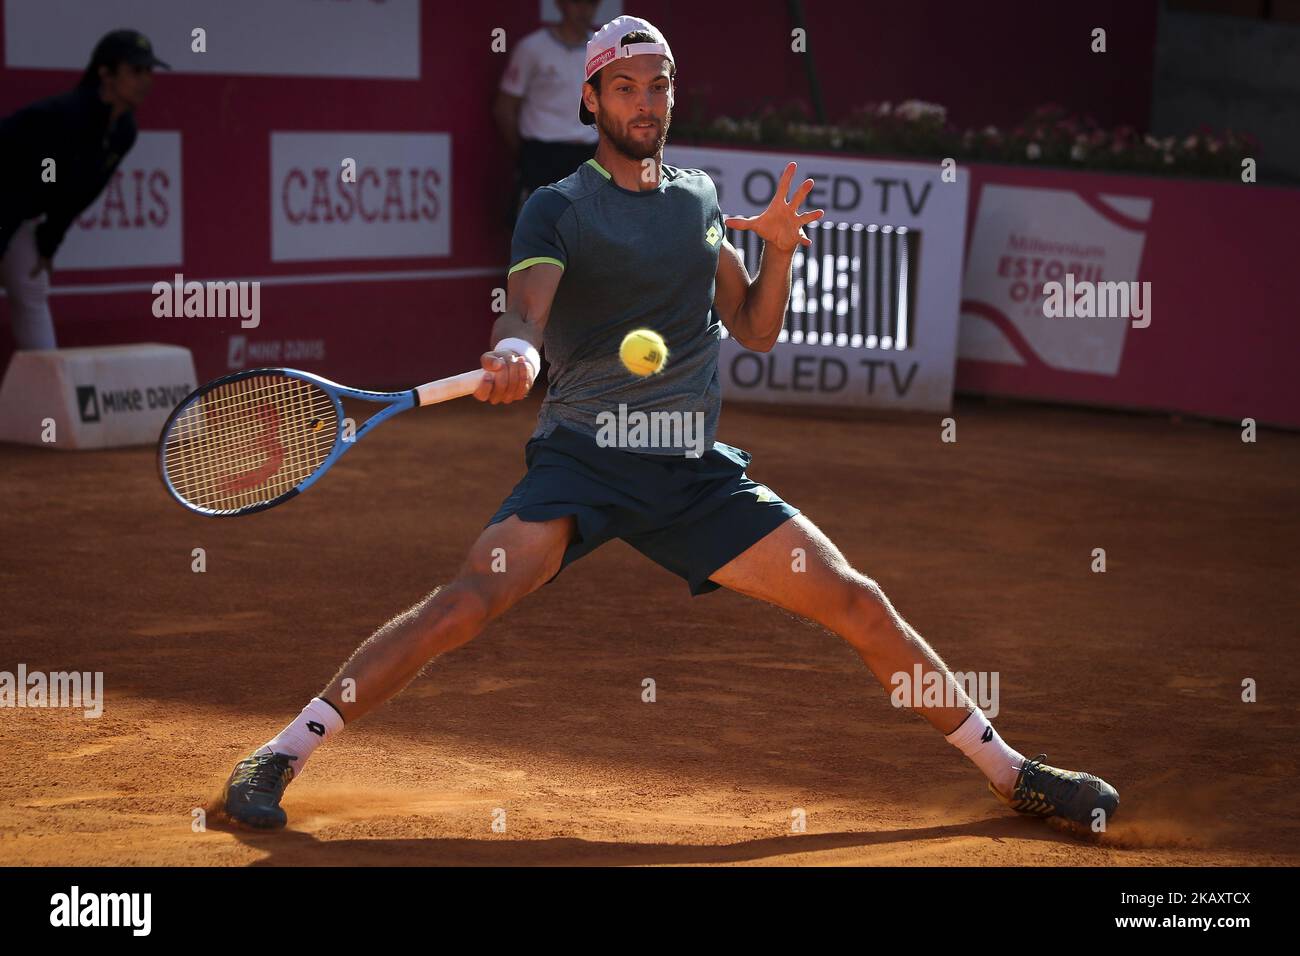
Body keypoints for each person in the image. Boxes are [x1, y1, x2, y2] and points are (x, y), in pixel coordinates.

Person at [222, 15, 1119, 833]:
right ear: (591, 98)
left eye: (658, 87)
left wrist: (774, 254)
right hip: (584, 460)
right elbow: (526, 311)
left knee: (858, 600)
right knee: (463, 605)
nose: (644, 104)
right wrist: (517, 354)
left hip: (693, 474)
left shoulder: (697, 201)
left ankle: (1012, 773)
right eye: (625, 87)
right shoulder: (557, 206)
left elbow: (756, 330)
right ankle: (279, 754)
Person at [0, 29, 168, 350]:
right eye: (136, 71)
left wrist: (49, 240)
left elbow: (81, 193)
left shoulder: (123, 130)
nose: (146, 80)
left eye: (149, 71)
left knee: (32, 283)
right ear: (105, 73)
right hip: (7, 205)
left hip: (15, 214)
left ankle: (49, 390)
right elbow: (20, 185)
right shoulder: (60, 117)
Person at [494, 0, 600, 224]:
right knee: (534, 234)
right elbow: (505, 108)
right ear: (561, 4)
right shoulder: (532, 48)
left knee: (586, 234)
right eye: (578, 3)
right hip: (541, 157)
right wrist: (527, 153)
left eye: (591, 3)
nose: (584, 10)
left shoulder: (601, 52)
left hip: (587, 157)